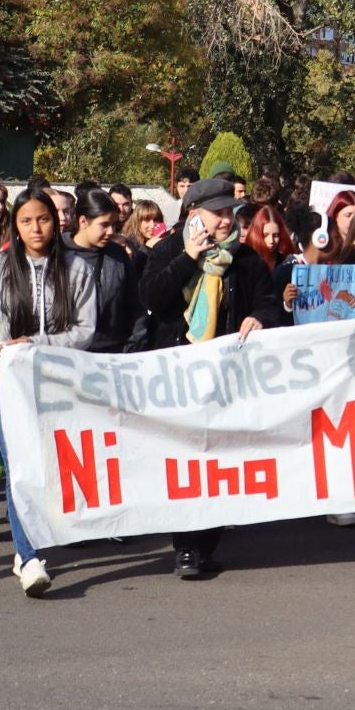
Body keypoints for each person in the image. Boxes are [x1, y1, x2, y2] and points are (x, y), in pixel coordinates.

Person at [140, 178, 282, 575]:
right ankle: (185, 546)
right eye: (217, 213)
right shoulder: (167, 249)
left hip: (226, 379)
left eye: (228, 213)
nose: (225, 221)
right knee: (187, 460)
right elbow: (151, 299)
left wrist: (261, 318)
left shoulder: (245, 259)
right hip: (176, 377)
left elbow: (268, 305)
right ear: (193, 213)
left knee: (219, 459)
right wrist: (186, 258)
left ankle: (206, 541)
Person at [0, 189, 97, 597]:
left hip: (56, 381)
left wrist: (37, 344)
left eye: (42, 219)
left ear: (55, 222)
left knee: (47, 464)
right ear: (15, 226)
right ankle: (29, 555)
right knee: (18, 462)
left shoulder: (76, 268)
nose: (36, 228)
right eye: (26, 221)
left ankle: (39, 537)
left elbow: (85, 331)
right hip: (2, 381)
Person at [68, 190, 145, 353]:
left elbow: (135, 308)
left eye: (114, 225)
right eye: (104, 225)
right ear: (83, 221)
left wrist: (131, 348)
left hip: (112, 357)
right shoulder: (57, 254)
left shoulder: (118, 255)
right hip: (67, 355)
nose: (111, 232)